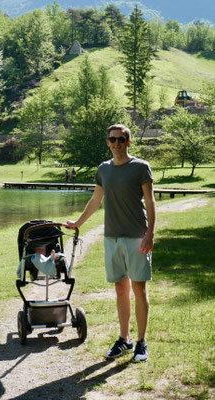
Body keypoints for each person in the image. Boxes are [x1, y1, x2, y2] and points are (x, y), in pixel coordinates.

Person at [65, 124, 155, 363]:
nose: (116, 143)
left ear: (128, 142)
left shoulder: (140, 167)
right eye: (112, 139)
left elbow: (150, 201)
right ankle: (124, 339)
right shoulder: (103, 169)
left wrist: (150, 233)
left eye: (121, 139)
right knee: (119, 289)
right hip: (112, 237)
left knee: (139, 289)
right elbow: (96, 200)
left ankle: (141, 343)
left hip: (137, 237)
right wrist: (77, 222)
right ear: (107, 142)